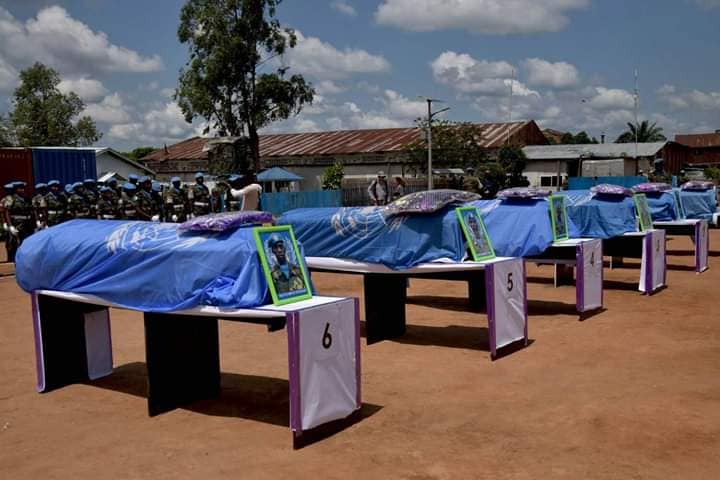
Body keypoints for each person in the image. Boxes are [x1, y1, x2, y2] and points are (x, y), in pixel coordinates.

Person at [4, 182, 34, 262]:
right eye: (20, 188)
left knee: (26, 241)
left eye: (23, 188)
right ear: (15, 189)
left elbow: (31, 211)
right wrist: (10, 226)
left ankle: (25, 258)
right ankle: (14, 259)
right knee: (15, 242)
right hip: (16, 223)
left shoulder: (26, 198)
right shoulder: (11, 198)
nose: (22, 190)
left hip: (27, 223)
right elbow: (7, 212)